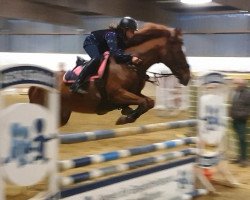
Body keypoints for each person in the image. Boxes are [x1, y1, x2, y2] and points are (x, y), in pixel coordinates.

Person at [70, 16, 141, 93]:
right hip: (91, 42)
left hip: (101, 46)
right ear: (125, 30)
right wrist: (130, 58)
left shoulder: (122, 39)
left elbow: (120, 55)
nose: (133, 34)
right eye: (132, 31)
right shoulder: (112, 34)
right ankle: (76, 84)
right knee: (97, 58)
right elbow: (115, 54)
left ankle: (84, 63)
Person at [230, 78, 250, 167]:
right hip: (234, 119)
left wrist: (244, 115)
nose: (235, 85)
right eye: (234, 83)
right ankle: (239, 157)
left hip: (241, 120)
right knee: (238, 139)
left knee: (242, 139)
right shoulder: (235, 92)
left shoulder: (247, 93)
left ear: (242, 84)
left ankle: (244, 159)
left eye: (236, 83)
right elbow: (233, 104)